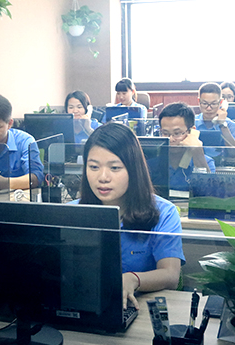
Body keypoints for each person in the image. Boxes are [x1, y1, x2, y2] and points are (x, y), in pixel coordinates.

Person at [78, 122, 184, 310]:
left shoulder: (164, 212)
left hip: (140, 307)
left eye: (114, 168)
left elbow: (171, 275)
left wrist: (134, 279)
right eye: (93, 167)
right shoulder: (72, 212)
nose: (103, 177)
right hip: (83, 306)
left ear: (133, 170)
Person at [157, 102, 215, 192]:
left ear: (191, 132)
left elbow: (208, 194)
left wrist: (198, 154)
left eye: (177, 133)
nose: (171, 139)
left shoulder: (207, 162)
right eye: (165, 133)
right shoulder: (151, 163)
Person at [195, 82, 235, 147]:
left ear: (221, 102)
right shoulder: (191, 122)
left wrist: (222, 125)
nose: (209, 108)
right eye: (204, 103)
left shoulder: (232, 126)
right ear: (199, 101)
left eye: (213, 104)